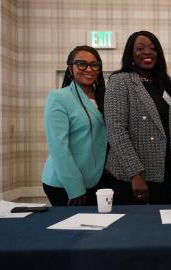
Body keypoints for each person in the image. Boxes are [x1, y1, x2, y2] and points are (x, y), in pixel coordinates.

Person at [105, 31, 171, 205]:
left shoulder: (164, 83)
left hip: (163, 172)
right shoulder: (120, 81)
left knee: (162, 228)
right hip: (132, 178)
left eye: (153, 48)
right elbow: (116, 131)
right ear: (131, 53)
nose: (147, 52)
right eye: (140, 48)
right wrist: (135, 174)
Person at [41, 45, 107, 206]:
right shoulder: (59, 97)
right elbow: (58, 147)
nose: (89, 69)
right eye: (81, 64)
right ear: (70, 68)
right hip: (66, 183)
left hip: (97, 180)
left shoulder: (104, 97)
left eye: (94, 64)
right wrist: (74, 187)